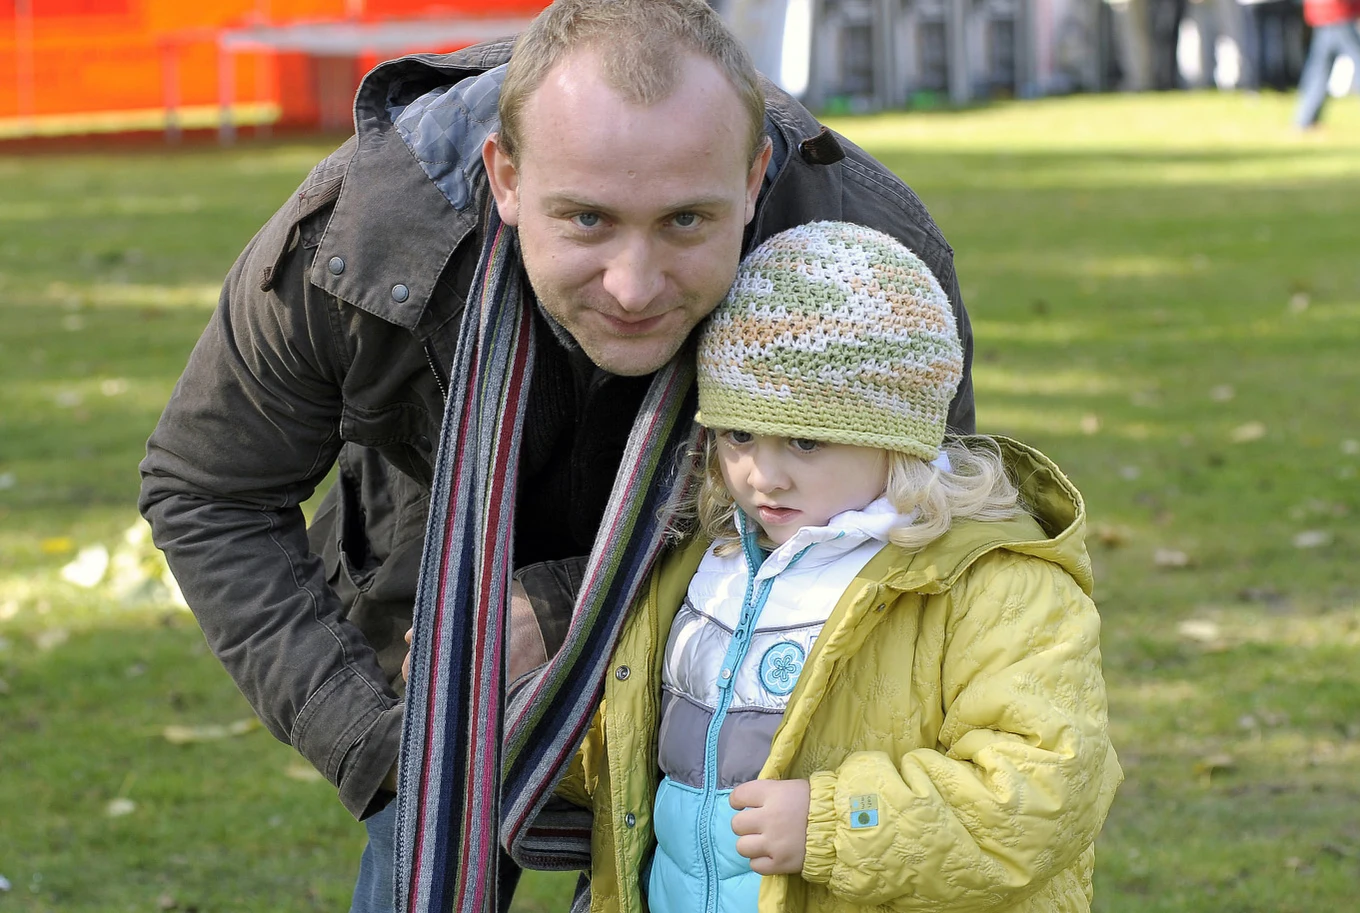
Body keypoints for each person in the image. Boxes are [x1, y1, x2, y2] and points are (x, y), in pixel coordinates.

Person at [137, 1, 974, 910]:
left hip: (739, 642)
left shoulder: (870, 260)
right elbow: (207, 489)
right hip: (436, 628)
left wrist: (569, 599)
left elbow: (915, 532)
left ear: (756, 175)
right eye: (587, 219)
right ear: (504, 174)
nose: (634, 285)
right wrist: (375, 747)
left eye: (687, 221)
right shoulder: (359, 240)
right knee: (422, 851)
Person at [553, 221, 1123, 913]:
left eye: (805, 440)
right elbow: (645, 741)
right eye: (738, 434)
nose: (764, 474)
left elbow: (1043, 792)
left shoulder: (996, 585)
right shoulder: (710, 561)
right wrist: (523, 719)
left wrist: (835, 822)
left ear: (897, 439)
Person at [1293, 0, 1360, 130]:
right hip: (1340, 13)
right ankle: (1305, 120)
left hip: (1324, 14)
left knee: (1319, 68)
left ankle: (1305, 119)